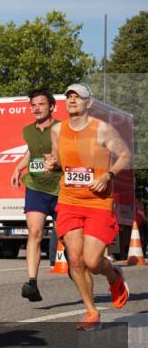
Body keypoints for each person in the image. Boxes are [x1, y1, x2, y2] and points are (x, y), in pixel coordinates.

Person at [44, 83, 132, 331]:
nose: (72, 101)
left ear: (88, 103)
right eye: (69, 97)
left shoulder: (102, 129)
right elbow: (58, 159)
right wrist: (52, 163)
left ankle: (114, 276)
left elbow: (124, 155)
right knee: (75, 259)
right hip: (69, 200)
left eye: (78, 97)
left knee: (93, 262)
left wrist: (109, 175)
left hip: (98, 202)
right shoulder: (57, 129)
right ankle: (91, 311)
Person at [10, 88, 62, 302]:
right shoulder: (28, 130)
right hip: (35, 187)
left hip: (61, 188)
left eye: (41, 104)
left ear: (51, 106)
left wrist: (58, 160)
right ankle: (32, 283)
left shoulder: (62, 128)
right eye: (33, 105)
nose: (36, 108)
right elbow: (31, 151)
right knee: (35, 233)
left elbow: (70, 151)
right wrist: (18, 168)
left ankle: (77, 268)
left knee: (68, 239)